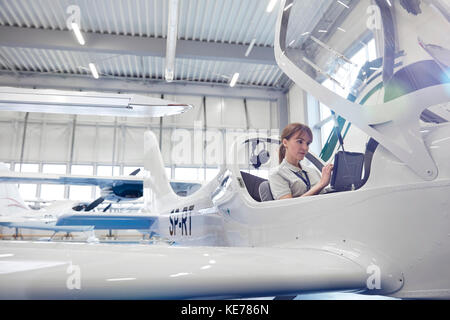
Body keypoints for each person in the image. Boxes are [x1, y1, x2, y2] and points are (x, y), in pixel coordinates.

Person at [269, 123, 334, 200]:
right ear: (285, 142)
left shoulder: (313, 172)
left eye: (308, 143)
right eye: (300, 142)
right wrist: (321, 184)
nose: (305, 148)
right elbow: (288, 206)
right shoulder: (277, 174)